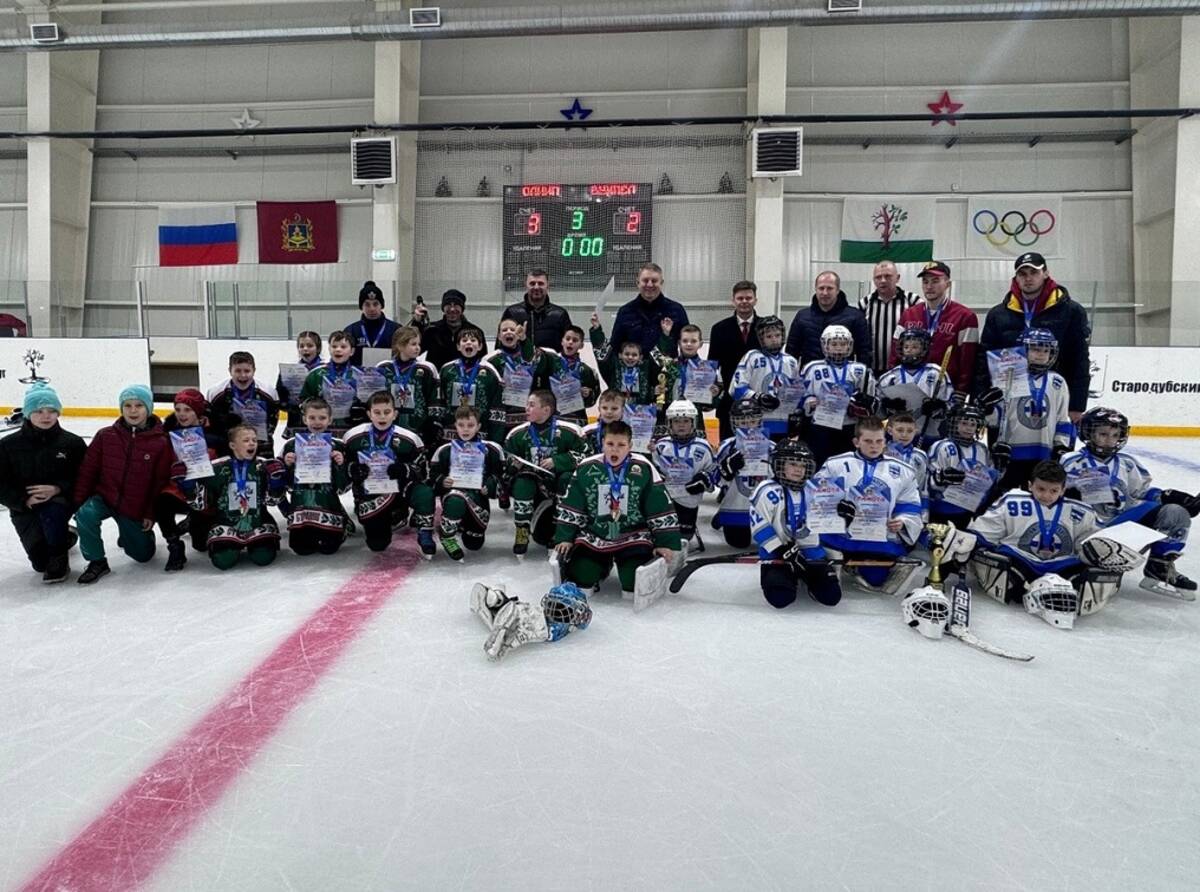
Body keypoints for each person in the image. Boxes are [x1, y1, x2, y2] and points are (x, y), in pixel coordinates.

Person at [951, 461, 1114, 624]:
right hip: (1021, 560)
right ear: (1030, 485)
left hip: (1061, 565)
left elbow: (1092, 543)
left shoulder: (1082, 511)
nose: (1046, 496)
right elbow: (986, 531)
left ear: (1063, 490)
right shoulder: (1012, 501)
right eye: (1041, 489)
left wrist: (1102, 552)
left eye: (1054, 491)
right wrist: (973, 540)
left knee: (1087, 569)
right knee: (1001, 559)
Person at [1062, 407, 1198, 597]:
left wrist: (1170, 496)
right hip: (1085, 529)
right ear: (1088, 434)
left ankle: (1159, 566)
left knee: (1175, 512)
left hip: (1121, 526)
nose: (1109, 440)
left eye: (1115, 435)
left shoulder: (1128, 463)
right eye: (1103, 434)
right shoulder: (1071, 460)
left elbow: (1141, 492)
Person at [551, 420, 681, 595]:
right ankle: (602, 565)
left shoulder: (643, 467)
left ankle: (621, 563)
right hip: (595, 535)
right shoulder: (586, 467)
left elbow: (658, 505)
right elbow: (573, 503)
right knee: (582, 577)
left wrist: (664, 543)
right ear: (602, 443)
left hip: (633, 535)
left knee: (633, 582)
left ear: (630, 446)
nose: (615, 449)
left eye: (621, 445)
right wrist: (565, 537)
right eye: (610, 444)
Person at [73, 384, 174, 584]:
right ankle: (97, 562)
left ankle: (138, 537)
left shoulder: (161, 442)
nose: (133, 411)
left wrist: (149, 513)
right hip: (105, 496)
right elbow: (88, 470)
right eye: (127, 405)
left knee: (142, 556)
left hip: (134, 505)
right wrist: (78, 502)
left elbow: (159, 482)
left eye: (139, 405)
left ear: (148, 408)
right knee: (85, 514)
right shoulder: (105, 436)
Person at [975, 252, 1091, 424]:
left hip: (1054, 395)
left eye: (1034, 272)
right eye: (1022, 274)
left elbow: (1079, 359)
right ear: (1016, 277)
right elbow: (984, 358)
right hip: (1007, 399)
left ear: (1045, 273)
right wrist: (981, 397)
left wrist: (1076, 405)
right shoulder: (998, 314)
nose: (1028, 278)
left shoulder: (1071, 311)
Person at [812, 416, 924, 594]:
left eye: (879, 441)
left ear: (885, 442)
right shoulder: (835, 464)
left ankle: (855, 565)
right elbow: (815, 499)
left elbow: (910, 504)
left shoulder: (904, 471)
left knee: (876, 579)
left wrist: (902, 521)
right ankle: (836, 555)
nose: (874, 446)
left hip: (878, 538)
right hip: (839, 535)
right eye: (868, 441)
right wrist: (835, 508)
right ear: (856, 442)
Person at [0, 382, 85, 583]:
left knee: (52, 514)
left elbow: (85, 477)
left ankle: (59, 555)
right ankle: (66, 535)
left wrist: (58, 488)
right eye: (39, 411)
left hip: (60, 502)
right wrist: (22, 501)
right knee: (40, 564)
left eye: (51, 411)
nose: (46, 416)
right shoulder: (8, 445)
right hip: (24, 506)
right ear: (28, 413)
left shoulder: (72, 443)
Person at [174, 424, 286, 570]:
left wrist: (276, 481)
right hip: (225, 523)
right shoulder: (215, 468)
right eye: (246, 440)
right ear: (232, 445)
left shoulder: (264, 466)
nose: (252, 443)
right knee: (223, 561)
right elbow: (199, 505)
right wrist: (186, 483)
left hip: (258, 522)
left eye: (254, 440)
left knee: (263, 557)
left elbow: (272, 501)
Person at [749, 438, 842, 609]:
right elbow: (758, 525)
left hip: (811, 553)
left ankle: (804, 574)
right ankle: (789, 574)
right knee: (780, 598)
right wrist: (778, 549)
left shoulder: (816, 490)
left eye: (802, 465)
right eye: (792, 464)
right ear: (779, 464)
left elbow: (828, 519)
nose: (799, 469)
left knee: (831, 596)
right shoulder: (767, 490)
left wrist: (844, 517)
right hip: (776, 555)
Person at [979, 327, 1072, 495]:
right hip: (1011, 452)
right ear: (1024, 349)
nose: (1041, 354)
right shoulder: (1009, 376)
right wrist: (987, 408)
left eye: (1046, 350)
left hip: (1043, 454)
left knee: (1039, 497)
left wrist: (1061, 445)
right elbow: (996, 420)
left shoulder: (1057, 382)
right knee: (1004, 496)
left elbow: (1062, 418)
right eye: (1036, 349)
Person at [345, 390, 435, 556]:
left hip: (399, 491)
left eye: (387, 412)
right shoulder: (352, 437)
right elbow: (342, 466)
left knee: (424, 492)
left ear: (395, 414)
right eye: (377, 412)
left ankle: (424, 531)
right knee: (377, 544)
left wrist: (404, 469)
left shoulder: (410, 438)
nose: (382, 417)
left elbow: (424, 472)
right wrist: (354, 469)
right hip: (370, 495)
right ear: (369, 414)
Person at [503, 390, 587, 556]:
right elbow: (506, 462)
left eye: (531, 405)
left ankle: (561, 527)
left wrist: (558, 461)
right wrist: (514, 466)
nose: (526, 408)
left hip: (559, 486)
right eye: (527, 404)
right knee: (523, 481)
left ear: (546, 410)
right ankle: (522, 529)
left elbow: (585, 456)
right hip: (534, 489)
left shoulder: (570, 431)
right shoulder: (517, 434)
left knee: (568, 478)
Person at [890, 261, 979, 399]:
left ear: (947, 284)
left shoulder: (965, 317)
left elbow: (968, 360)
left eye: (935, 281)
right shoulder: (909, 314)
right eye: (925, 282)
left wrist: (961, 392)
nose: (929, 286)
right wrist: (894, 384)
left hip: (946, 392)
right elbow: (895, 353)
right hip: (910, 388)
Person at [429, 406, 505, 561]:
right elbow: (432, 477)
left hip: (478, 499)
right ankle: (447, 535)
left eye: (470, 425)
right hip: (453, 496)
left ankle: (462, 526)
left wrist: (489, 486)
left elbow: (500, 476)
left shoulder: (492, 449)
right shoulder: (444, 450)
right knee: (456, 500)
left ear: (478, 426)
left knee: (474, 544)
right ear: (455, 425)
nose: (465, 429)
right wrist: (442, 481)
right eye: (461, 425)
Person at [158, 388, 222, 571]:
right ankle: (174, 545)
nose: (182, 414)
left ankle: (193, 520)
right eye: (178, 409)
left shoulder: (217, 434)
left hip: (206, 493)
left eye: (187, 410)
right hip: (178, 488)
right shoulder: (169, 433)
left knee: (200, 545)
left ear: (198, 411)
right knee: (161, 503)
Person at [280, 397, 352, 557]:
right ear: (304, 419)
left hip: (328, 504)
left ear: (330, 419)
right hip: (301, 506)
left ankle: (342, 523)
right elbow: (285, 484)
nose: (317, 422)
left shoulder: (338, 445)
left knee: (329, 548)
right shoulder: (291, 445)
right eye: (312, 417)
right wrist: (287, 465)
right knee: (301, 549)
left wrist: (340, 465)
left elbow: (343, 487)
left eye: (322, 418)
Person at [799, 324, 875, 466]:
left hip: (850, 426)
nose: (839, 348)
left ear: (849, 346)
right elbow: (801, 395)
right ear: (825, 346)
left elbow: (871, 400)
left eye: (843, 344)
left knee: (848, 465)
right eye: (834, 344)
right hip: (821, 426)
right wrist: (810, 402)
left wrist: (861, 405)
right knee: (820, 463)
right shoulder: (812, 368)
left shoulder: (861, 370)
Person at [470, 581, 592, 662]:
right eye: (551, 605)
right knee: (517, 612)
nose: (553, 612)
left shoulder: (549, 628)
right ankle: (499, 600)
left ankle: (498, 599)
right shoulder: (538, 618)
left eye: (562, 609)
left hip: (529, 623)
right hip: (524, 617)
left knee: (515, 613)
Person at [651, 400, 717, 547]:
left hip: (688, 500)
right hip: (665, 499)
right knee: (661, 534)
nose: (681, 425)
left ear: (693, 423)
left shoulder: (703, 447)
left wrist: (705, 479)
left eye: (686, 421)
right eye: (676, 421)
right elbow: (652, 468)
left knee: (683, 537)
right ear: (669, 423)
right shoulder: (661, 446)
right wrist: (657, 475)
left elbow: (713, 473)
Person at [714, 397, 776, 547]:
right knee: (738, 544)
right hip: (735, 509)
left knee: (771, 544)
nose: (748, 426)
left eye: (752, 421)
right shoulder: (726, 446)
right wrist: (726, 468)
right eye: (742, 422)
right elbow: (714, 480)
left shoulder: (772, 448)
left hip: (765, 510)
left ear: (759, 421)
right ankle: (722, 515)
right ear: (734, 423)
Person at [875, 328, 953, 447]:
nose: (909, 350)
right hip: (898, 436)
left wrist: (938, 408)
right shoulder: (890, 377)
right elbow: (878, 412)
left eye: (915, 347)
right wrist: (888, 406)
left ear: (924, 350)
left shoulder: (936, 373)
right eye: (906, 347)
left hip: (928, 434)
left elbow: (950, 405)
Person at [730, 315, 804, 440]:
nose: (774, 340)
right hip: (756, 422)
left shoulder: (791, 361)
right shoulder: (752, 357)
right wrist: (757, 397)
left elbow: (798, 393)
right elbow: (736, 389)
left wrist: (798, 409)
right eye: (769, 336)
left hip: (784, 423)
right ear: (761, 338)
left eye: (777, 335)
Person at [927, 404, 998, 529]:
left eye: (973, 424)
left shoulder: (982, 449)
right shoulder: (941, 446)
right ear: (955, 424)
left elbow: (989, 480)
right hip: (941, 508)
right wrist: (939, 478)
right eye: (964, 423)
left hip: (968, 510)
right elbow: (927, 478)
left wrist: (1000, 467)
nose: (968, 428)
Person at [785, 270, 872, 368]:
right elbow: (791, 351)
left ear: (837, 290)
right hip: (809, 375)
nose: (825, 293)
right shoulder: (802, 316)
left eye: (830, 288)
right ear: (815, 289)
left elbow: (864, 352)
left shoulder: (855, 317)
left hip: (844, 375)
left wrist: (863, 374)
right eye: (821, 288)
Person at [709, 280, 762, 439]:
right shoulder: (719, 329)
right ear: (733, 301)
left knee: (757, 446)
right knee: (728, 444)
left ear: (755, 300)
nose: (744, 301)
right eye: (740, 298)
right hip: (729, 399)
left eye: (748, 298)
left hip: (758, 399)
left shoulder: (765, 328)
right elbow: (712, 366)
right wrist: (713, 388)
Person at [486, 319, 554, 438]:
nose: (509, 332)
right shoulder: (491, 360)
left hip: (526, 413)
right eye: (504, 330)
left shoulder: (531, 354)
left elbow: (541, 367)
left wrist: (524, 340)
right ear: (499, 336)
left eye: (512, 329)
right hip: (501, 416)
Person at [207, 350, 280, 459]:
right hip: (227, 447)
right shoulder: (215, 393)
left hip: (261, 447)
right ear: (230, 371)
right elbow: (212, 424)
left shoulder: (269, 393)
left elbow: (273, 420)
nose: (243, 375)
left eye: (247, 371)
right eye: (237, 371)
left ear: (254, 370)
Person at [438, 326, 506, 444]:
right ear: (458, 346)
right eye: (464, 340)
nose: (468, 342)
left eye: (473, 340)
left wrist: (496, 437)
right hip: (450, 432)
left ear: (480, 346)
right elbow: (440, 400)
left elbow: (497, 405)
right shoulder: (447, 370)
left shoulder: (490, 371)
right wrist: (437, 426)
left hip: (480, 433)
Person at [653, 320, 721, 435]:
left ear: (700, 344)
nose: (689, 344)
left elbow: (709, 407)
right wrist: (656, 392)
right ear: (679, 343)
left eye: (693, 341)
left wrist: (714, 395)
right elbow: (658, 397)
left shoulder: (707, 370)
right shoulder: (669, 366)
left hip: (695, 423)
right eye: (685, 341)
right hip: (668, 421)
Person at [377, 325, 441, 448]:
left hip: (418, 424)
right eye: (413, 344)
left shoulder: (427, 368)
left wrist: (434, 421)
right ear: (400, 345)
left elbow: (434, 397)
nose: (418, 348)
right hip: (388, 422)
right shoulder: (383, 367)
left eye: (418, 344)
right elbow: (376, 397)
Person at [607, 262, 689, 357]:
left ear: (661, 283)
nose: (650, 285)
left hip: (668, 366)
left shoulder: (677, 310)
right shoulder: (625, 312)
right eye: (645, 280)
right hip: (635, 366)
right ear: (638, 283)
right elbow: (615, 347)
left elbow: (687, 343)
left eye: (654, 281)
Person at [858, 260, 920, 379]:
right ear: (874, 280)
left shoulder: (913, 301)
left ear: (897, 278)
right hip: (872, 370)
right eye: (878, 277)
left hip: (905, 369)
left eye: (888, 276)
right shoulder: (864, 303)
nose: (883, 280)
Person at [299, 331, 364, 438]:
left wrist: (361, 410)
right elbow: (304, 400)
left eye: (343, 347)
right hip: (321, 428)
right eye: (334, 346)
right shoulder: (316, 374)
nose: (338, 349)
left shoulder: (360, 375)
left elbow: (369, 402)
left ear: (352, 351)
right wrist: (314, 407)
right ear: (329, 349)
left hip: (351, 428)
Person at [412, 288, 489, 371]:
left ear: (462, 308)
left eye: (456, 305)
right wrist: (417, 323)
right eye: (448, 305)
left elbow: (483, 361)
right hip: (437, 377)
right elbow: (412, 350)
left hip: (467, 377)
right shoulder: (431, 330)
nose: (452, 309)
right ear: (443, 308)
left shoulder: (475, 332)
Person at [500, 269, 573, 351]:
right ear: (526, 285)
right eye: (532, 283)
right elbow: (500, 346)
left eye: (541, 283)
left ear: (548, 285)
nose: (536, 287)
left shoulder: (560, 315)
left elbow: (570, 346)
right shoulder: (512, 313)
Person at [546, 324, 600, 425]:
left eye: (575, 340)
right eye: (568, 339)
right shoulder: (549, 365)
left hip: (578, 419)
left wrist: (588, 394)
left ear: (581, 345)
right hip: (553, 417)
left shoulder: (586, 370)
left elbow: (592, 400)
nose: (570, 342)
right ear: (562, 341)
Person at [275, 331, 324, 439]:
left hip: (320, 420)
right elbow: (281, 400)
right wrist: (284, 399)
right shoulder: (290, 371)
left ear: (318, 348)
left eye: (310, 346)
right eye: (301, 346)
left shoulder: (326, 370)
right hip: (297, 420)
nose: (305, 349)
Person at [344, 280, 401, 367]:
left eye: (375, 304)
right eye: (367, 305)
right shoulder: (350, 331)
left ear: (382, 305)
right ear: (361, 307)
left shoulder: (395, 329)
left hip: (389, 374)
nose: (372, 309)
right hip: (358, 375)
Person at [884, 412, 929, 520]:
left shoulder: (920, 456)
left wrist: (924, 514)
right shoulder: (880, 451)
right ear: (890, 431)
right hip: (881, 504)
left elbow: (923, 486)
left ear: (915, 431)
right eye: (900, 430)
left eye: (909, 431)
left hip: (907, 506)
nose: (904, 435)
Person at [582, 389, 626, 456]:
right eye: (605, 408)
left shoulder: (631, 433)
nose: (609, 412)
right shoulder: (587, 431)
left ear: (622, 410)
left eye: (614, 408)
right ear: (599, 409)